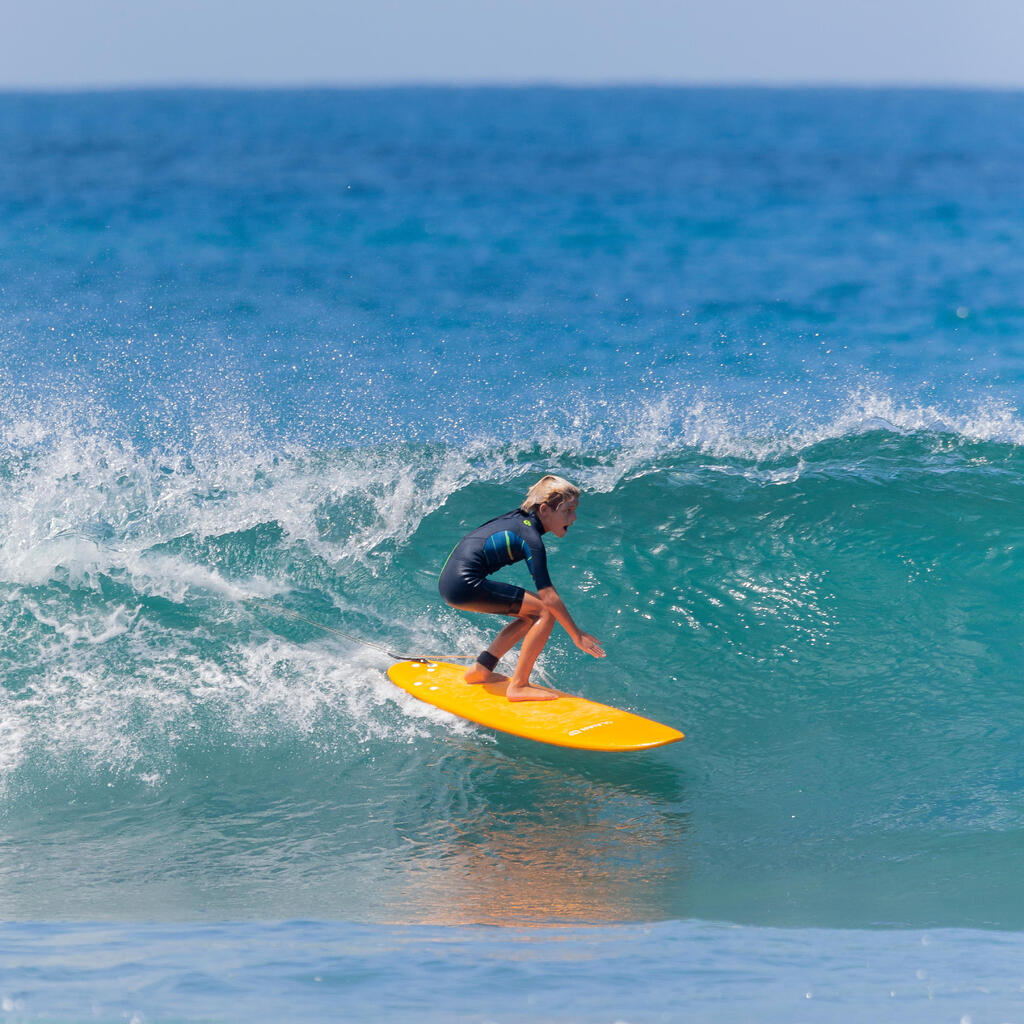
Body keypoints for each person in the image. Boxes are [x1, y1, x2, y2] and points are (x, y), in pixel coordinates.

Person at [438, 474, 605, 701]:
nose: (574, 518)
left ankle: (481, 670)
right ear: (544, 509)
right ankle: (518, 686)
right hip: (464, 584)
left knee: (531, 615)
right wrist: (576, 635)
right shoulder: (530, 537)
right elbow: (548, 596)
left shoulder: (519, 521)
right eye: (567, 511)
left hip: (451, 582)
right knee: (545, 611)